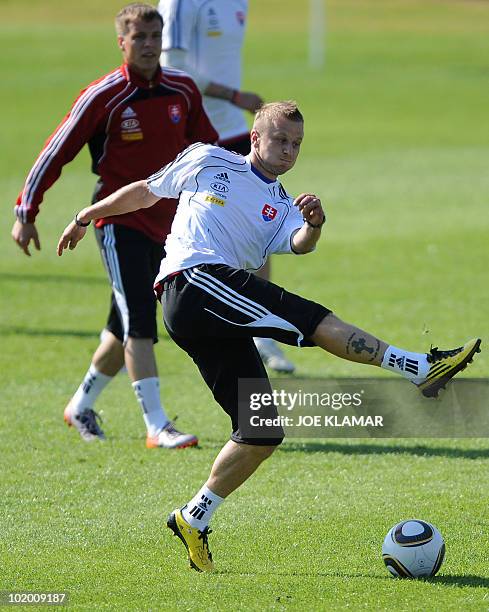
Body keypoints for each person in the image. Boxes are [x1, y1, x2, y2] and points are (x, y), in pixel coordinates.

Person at [57, 101, 481, 572]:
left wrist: (315, 225)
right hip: (190, 282)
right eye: (281, 140)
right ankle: (421, 368)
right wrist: (84, 216)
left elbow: (299, 244)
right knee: (310, 318)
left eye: (297, 144)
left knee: (262, 431)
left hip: (211, 309)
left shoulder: (282, 205)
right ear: (255, 138)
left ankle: (194, 517)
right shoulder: (207, 158)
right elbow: (144, 193)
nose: (289, 151)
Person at [12, 3, 218, 448]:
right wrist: (26, 212)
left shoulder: (182, 90)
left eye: (154, 36)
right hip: (115, 221)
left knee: (121, 326)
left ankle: (80, 406)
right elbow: (56, 151)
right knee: (141, 319)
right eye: (138, 37)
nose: (148, 45)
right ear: (121, 42)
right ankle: (158, 425)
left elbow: (207, 150)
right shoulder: (103, 96)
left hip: (168, 225)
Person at [158, 0, 296, 374]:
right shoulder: (182, 3)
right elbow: (173, 68)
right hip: (190, 134)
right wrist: (234, 96)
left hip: (233, 129)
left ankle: (261, 335)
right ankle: (130, 335)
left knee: (259, 226)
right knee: (162, 234)